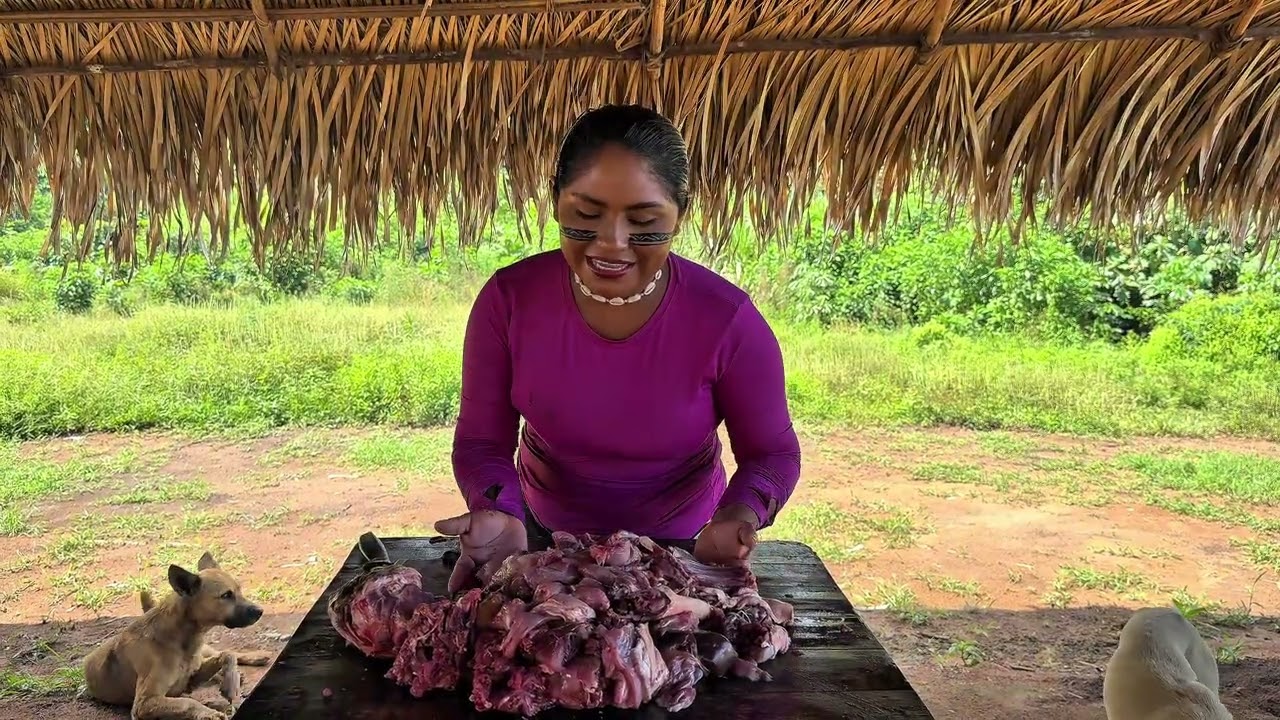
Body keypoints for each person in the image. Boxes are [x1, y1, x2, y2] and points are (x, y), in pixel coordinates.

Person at [434, 104, 802, 593]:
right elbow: (482, 441)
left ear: (679, 216)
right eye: (585, 215)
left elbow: (772, 452)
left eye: (644, 219)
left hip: (686, 547)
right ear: (556, 202)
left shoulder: (726, 320)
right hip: (537, 537)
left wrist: (738, 514)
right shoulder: (509, 302)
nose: (612, 243)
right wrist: (497, 508)